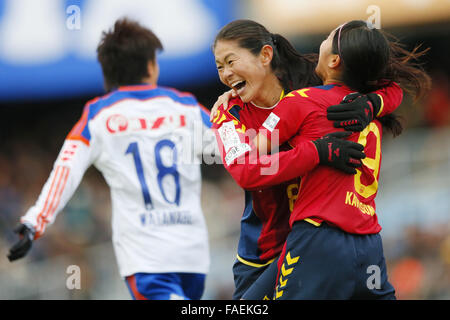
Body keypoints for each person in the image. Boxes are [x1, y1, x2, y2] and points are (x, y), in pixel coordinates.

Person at [219, 20, 431, 299]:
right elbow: (245, 172)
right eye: (219, 66)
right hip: (279, 248)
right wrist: (318, 150)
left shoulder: (306, 89)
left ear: (266, 55)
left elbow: (388, 85)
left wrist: (374, 103)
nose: (226, 73)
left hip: (313, 238)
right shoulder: (228, 113)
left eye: (231, 61)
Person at [7, 18, 211, 300]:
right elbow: (237, 154)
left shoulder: (98, 116)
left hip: (145, 257)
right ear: (151, 66)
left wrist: (34, 221)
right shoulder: (188, 107)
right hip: (193, 253)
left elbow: (65, 171)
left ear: (107, 73)